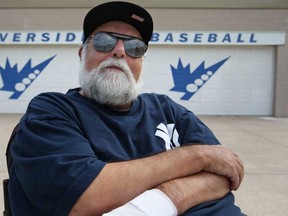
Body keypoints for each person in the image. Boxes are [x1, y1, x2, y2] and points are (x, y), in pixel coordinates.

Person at [8, 1, 244, 216]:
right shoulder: (52, 111)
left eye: (135, 47)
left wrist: (165, 193)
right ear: (82, 53)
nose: (120, 51)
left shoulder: (168, 109)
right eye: (104, 41)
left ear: (142, 61)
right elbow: (85, 197)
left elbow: (225, 170)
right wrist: (196, 157)